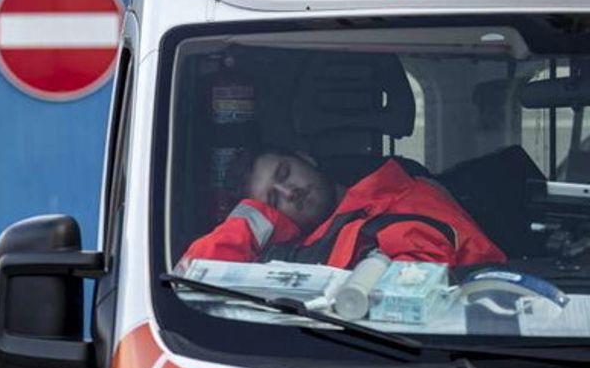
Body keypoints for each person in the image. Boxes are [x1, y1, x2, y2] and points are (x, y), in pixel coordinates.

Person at [177, 148, 505, 272]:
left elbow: (417, 285)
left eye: (285, 173)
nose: (290, 192)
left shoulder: (403, 197)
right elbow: (192, 273)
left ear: (307, 157)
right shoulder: (302, 248)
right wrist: (252, 221)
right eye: (274, 201)